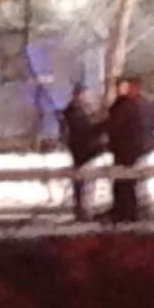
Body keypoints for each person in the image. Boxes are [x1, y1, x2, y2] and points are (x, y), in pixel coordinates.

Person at [104, 75, 154, 223]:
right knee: (124, 181)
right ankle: (125, 210)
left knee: (126, 182)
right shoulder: (133, 104)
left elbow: (116, 125)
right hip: (128, 148)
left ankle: (126, 212)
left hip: (128, 149)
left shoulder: (130, 105)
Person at [58, 82, 107, 224]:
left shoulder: (77, 112)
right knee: (85, 184)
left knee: (85, 184)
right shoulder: (75, 113)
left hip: (85, 153)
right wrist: (103, 128)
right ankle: (83, 212)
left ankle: (83, 211)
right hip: (84, 154)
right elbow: (84, 134)